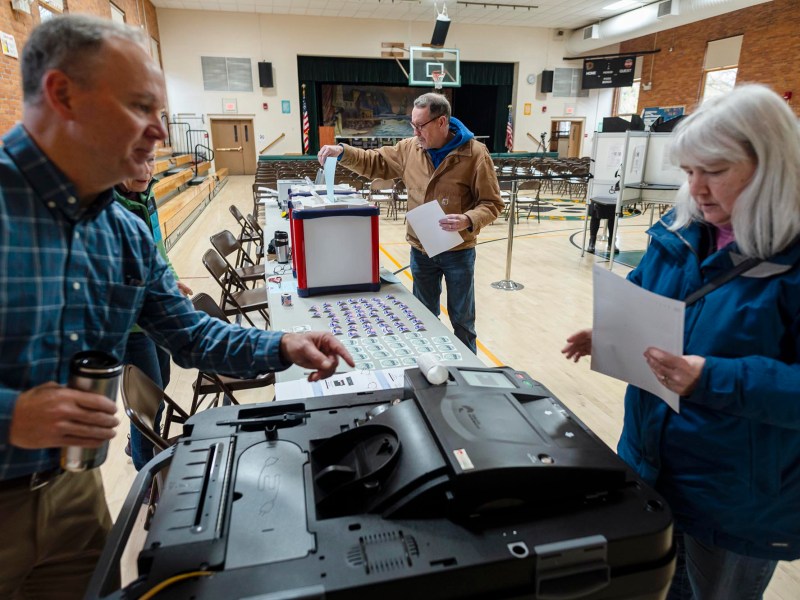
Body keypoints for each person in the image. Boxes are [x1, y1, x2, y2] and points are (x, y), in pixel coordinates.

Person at [0, 15, 353, 599]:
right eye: (141, 107)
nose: (160, 133)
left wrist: (282, 344)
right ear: (63, 94)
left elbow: (190, 335)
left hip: (74, 493)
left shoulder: (125, 231)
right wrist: (12, 417)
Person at [562, 84, 800, 600]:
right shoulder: (680, 228)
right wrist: (611, 333)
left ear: (771, 166)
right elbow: (648, 301)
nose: (697, 189)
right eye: (689, 172)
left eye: (714, 171)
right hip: (652, 464)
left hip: (739, 494)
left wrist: (712, 379)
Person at [317, 93, 503, 353]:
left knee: (463, 321)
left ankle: (467, 375)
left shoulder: (474, 154)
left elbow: (492, 203)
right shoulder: (409, 148)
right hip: (422, 251)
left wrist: (468, 219)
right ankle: (429, 366)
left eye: (420, 126)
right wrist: (343, 152)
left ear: (442, 122)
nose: (415, 132)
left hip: (458, 253)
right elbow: (375, 162)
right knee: (424, 318)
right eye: (412, 125)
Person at [114, 155, 193, 471]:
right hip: (133, 326)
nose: (147, 169)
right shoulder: (109, 213)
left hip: (155, 314)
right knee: (148, 401)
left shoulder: (147, 200)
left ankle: (142, 441)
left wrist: (169, 279)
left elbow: (159, 252)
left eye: (150, 160)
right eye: (137, 161)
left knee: (160, 386)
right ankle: (146, 470)